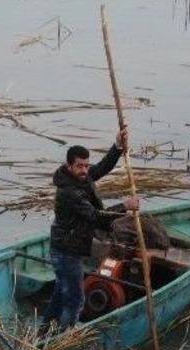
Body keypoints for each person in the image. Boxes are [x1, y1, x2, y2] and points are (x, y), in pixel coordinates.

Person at [43, 126, 138, 332]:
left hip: (64, 249)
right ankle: (61, 341)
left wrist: (118, 147)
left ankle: (43, 334)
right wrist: (125, 206)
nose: (85, 170)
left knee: (60, 296)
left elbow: (101, 168)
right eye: (80, 166)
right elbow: (96, 217)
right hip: (67, 254)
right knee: (75, 302)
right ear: (69, 166)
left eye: (86, 165)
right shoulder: (69, 192)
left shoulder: (80, 178)